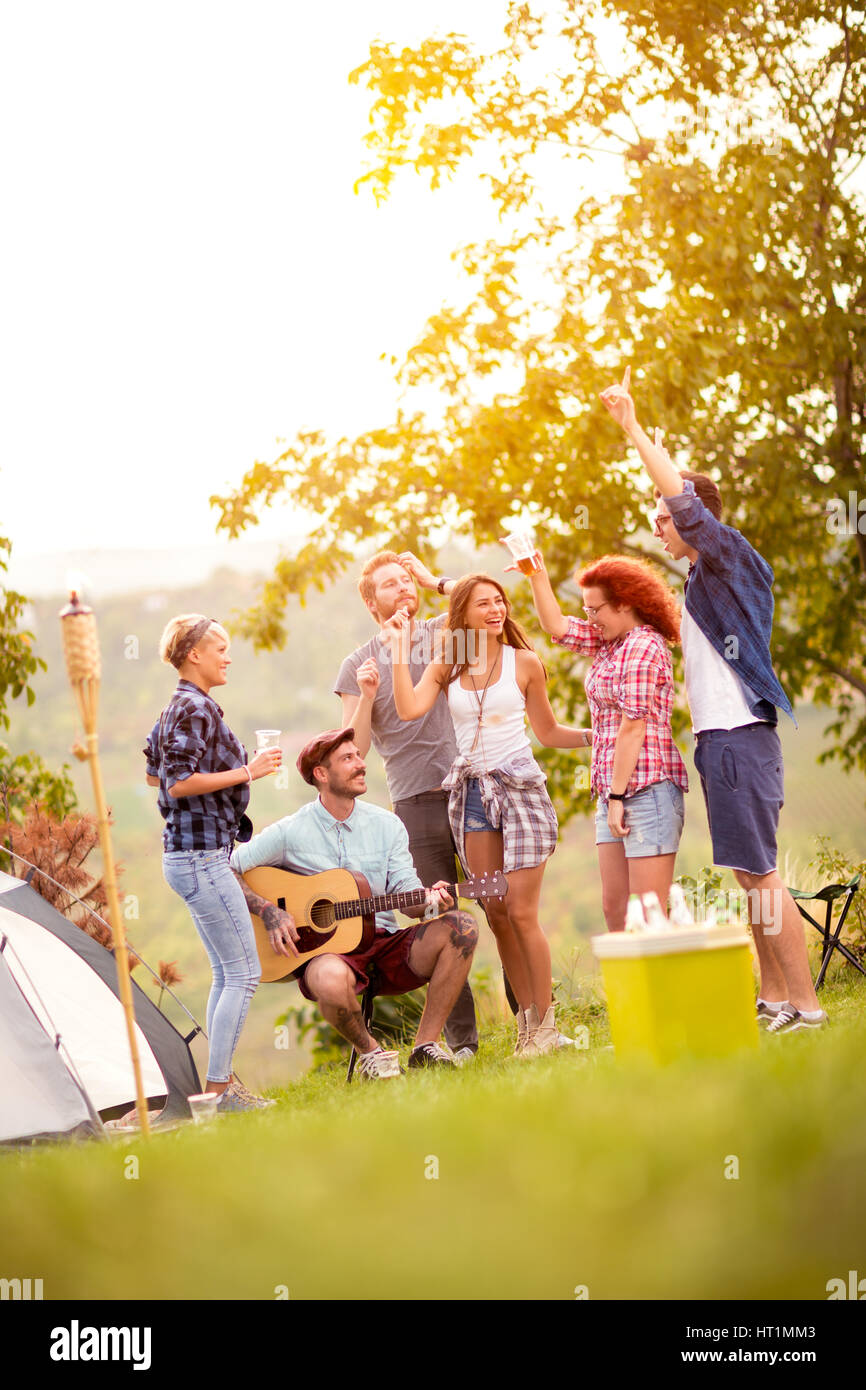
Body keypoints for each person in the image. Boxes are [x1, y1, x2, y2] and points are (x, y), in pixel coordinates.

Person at [599, 369, 826, 1032]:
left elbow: (682, 500)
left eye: (664, 519)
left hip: (738, 739)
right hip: (720, 744)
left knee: (760, 876)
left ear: (690, 514)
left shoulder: (728, 557)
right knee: (747, 876)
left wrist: (633, 427)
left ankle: (807, 1008)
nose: (661, 531)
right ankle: (777, 1000)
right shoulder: (703, 579)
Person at [385, 573, 591, 1057]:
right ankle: (527, 1029)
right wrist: (397, 653)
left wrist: (598, 734)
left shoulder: (525, 662)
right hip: (473, 793)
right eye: (484, 603)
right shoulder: (447, 665)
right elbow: (408, 707)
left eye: (500, 601)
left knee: (520, 911)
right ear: (463, 614)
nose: (496, 610)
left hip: (519, 791)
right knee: (496, 913)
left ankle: (546, 1027)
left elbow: (547, 731)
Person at [229, 728, 479, 1078]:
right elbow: (228, 869)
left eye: (359, 757)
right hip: (330, 955)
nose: (361, 765)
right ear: (321, 774)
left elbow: (408, 899)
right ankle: (372, 1056)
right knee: (329, 980)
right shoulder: (290, 831)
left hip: (386, 944)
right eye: (348, 759)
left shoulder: (388, 825)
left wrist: (432, 902)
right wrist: (268, 911)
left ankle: (425, 1046)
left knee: (462, 927)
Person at [334, 549, 482, 1061]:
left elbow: (486, 601)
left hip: (475, 785)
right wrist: (367, 692)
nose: (402, 589)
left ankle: (532, 1020)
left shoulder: (445, 631)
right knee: (441, 912)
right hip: (415, 798)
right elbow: (354, 748)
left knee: (505, 904)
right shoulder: (357, 664)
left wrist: (434, 579)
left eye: (406, 581)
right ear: (372, 603)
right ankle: (461, 1044)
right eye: (390, 585)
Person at [144, 614, 282, 1113]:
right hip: (200, 858)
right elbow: (175, 783)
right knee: (244, 973)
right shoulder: (196, 709)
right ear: (193, 655)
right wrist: (249, 771)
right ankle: (221, 1096)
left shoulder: (174, 709)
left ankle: (217, 1091)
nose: (228, 656)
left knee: (228, 973)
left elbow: (152, 777)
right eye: (219, 648)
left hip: (188, 854)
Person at [516, 552, 688, 932]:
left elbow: (633, 727)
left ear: (625, 603)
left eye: (596, 610)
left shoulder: (643, 646)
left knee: (648, 914)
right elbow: (557, 626)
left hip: (646, 790)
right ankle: (630, 992)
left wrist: (617, 797)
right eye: (587, 610)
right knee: (615, 910)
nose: (591, 619)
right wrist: (536, 574)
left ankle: (668, 987)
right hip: (612, 792)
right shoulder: (609, 642)